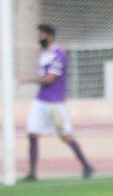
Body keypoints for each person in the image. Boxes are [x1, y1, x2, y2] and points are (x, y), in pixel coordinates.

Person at [20, 24, 94, 181]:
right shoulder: (44, 54)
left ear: (49, 36)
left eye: (41, 34)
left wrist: (28, 80)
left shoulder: (58, 54)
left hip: (55, 102)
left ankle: (86, 166)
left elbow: (50, 79)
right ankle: (32, 172)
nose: (38, 37)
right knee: (32, 134)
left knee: (65, 135)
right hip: (40, 101)